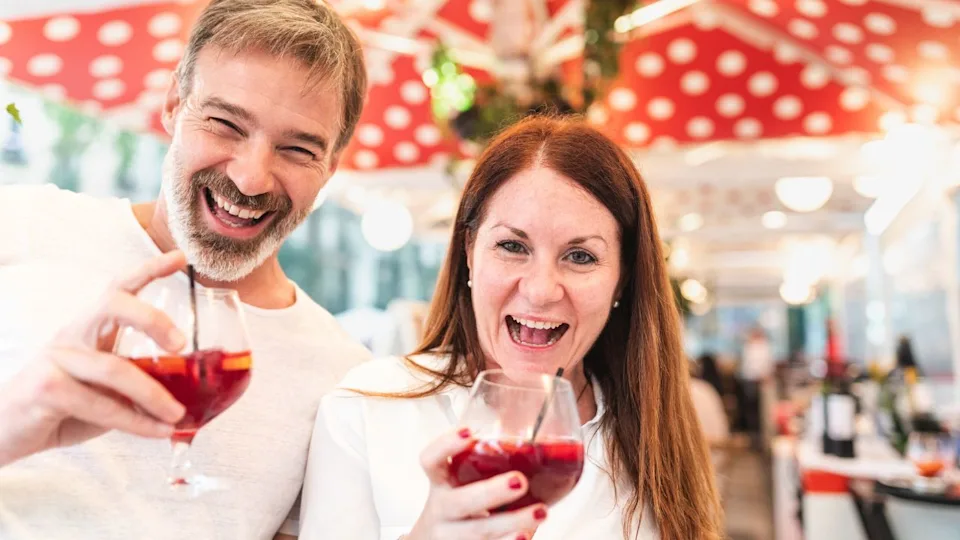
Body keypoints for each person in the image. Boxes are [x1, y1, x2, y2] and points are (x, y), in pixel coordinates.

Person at [0, 1, 370, 538]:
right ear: (175, 103)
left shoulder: (342, 376)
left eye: (297, 149)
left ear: (330, 167)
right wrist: (15, 418)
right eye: (224, 123)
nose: (250, 179)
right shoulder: (19, 227)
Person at [299, 116, 723, 539]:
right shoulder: (367, 407)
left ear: (623, 278)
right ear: (469, 251)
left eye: (580, 257)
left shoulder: (656, 440)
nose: (540, 291)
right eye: (512, 246)